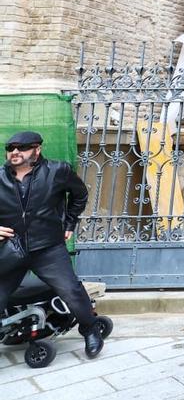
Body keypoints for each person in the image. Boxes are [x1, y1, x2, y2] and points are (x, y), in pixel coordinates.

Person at [0, 131, 106, 358]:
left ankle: (90, 329)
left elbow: (79, 196)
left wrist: (69, 222)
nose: (15, 152)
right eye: (10, 148)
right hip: (10, 249)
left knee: (71, 290)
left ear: (37, 149)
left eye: (22, 147)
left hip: (48, 247)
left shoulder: (58, 171)